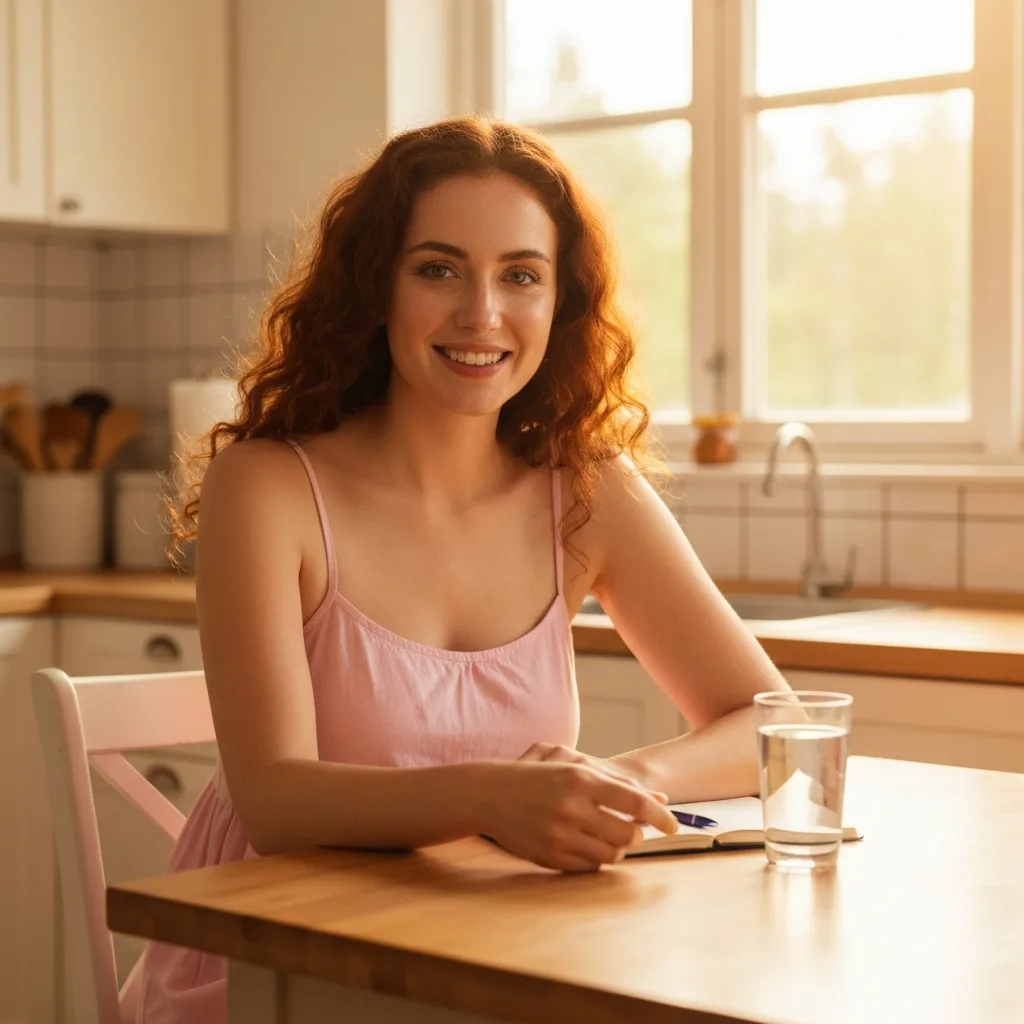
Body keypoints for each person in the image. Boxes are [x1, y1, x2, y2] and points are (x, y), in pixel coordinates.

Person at [135, 115, 790, 1022]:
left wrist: (618, 786)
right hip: (273, 967)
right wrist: (496, 796)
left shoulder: (586, 488)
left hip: (487, 943)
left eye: (520, 275)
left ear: (558, 303)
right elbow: (277, 799)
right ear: (376, 287)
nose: (482, 315)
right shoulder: (270, 486)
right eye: (438, 268)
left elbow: (771, 720)